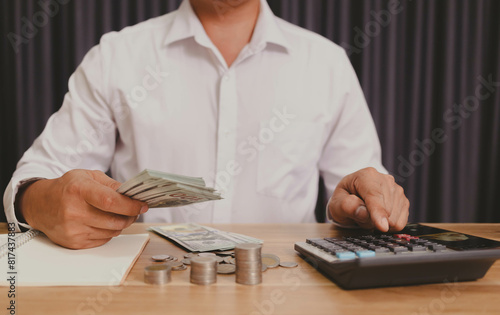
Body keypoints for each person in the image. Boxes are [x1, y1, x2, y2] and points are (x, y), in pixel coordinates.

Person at [3, 0, 409, 249]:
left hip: (288, 299)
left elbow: (358, 191)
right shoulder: (117, 56)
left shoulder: (327, 64)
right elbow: (33, 180)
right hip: (146, 296)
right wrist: (43, 205)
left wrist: (359, 209)